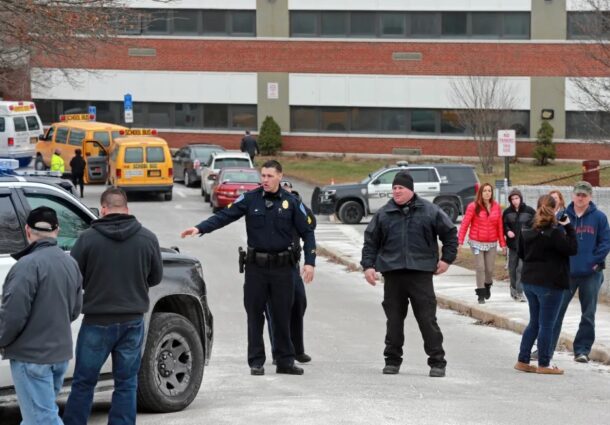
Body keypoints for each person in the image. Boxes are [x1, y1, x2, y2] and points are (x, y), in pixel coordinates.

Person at [181, 160, 315, 376]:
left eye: (270, 176)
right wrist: (200, 228)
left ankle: (285, 361)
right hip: (256, 268)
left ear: (280, 176)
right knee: (254, 315)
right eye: (263, 176)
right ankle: (256, 361)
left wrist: (310, 262)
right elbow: (225, 216)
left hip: (283, 268)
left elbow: (308, 232)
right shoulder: (250, 199)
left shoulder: (291, 202)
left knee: (282, 315)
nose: (265, 180)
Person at [63, 188, 163, 425]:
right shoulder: (147, 238)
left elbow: (73, 276)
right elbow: (155, 277)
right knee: (127, 383)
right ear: (127, 209)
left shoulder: (87, 238)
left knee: (84, 382)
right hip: (132, 321)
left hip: (97, 321)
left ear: (103, 209)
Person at [361, 171, 457, 377]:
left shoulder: (430, 211)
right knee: (394, 320)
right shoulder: (384, 214)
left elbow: (450, 233)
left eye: (400, 188)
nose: (396, 191)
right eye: (394, 188)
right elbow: (370, 241)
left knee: (427, 319)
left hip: (420, 274)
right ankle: (392, 360)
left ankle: (437, 362)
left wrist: (447, 259)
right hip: (393, 274)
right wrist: (368, 266)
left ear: (410, 190)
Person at [0, 207, 82, 425]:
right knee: (36, 417)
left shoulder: (27, 266)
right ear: (57, 230)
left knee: (42, 419)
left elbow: (12, 317)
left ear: (27, 230)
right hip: (59, 355)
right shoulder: (71, 263)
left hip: (32, 358)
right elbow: (74, 310)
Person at [514, 195, 577, 375]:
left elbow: (520, 253)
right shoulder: (555, 231)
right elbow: (572, 249)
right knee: (547, 324)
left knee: (534, 322)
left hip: (529, 280)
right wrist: (569, 227)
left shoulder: (527, 227)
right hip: (550, 282)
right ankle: (544, 363)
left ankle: (523, 359)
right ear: (555, 208)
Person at [551, 181, 610, 364]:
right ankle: (547, 347)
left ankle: (582, 350)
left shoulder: (599, 217)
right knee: (555, 311)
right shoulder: (563, 216)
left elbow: (605, 242)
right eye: (578, 194)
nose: (581, 197)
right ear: (573, 195)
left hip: (591, 274)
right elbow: (555, 241)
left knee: (588, 313)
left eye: (584, 195)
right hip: (567, 272)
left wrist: (593, 262)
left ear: (590, 197)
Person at [265, 180, 315, 364]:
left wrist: (298, 201)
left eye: (288, 189)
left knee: (298, 303)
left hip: (292, 265)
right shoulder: (268, 204)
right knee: (275, 310)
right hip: (272, 265)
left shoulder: (295, 207)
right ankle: (279, 353)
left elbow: (311, 223)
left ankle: (297, 349)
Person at [458, 183, 507, 304]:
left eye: (489, 191)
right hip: (476, 242)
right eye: (484, 190)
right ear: (480, 193)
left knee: (489, 269)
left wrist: (503, 244)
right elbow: (464, 224)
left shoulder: (496, 207)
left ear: (492, 193)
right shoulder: (473, 206)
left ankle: (487, 285)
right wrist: (459, 242)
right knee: (480, 267)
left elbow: (500, 227)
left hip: (491, 243)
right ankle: (480, 294)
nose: (487, 193)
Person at [502, 188, 535, 301]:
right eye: (512, 199)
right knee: (512, 268)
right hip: (512, 246)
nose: (515, 200)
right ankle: (513, 289)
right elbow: (503, 225)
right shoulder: (507, 212)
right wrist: (507, 231)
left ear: (520, 198)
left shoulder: (530, 211)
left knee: (521, 268)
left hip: (525, 246)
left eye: (517, 198)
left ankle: (520, 292)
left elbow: (535, 225)